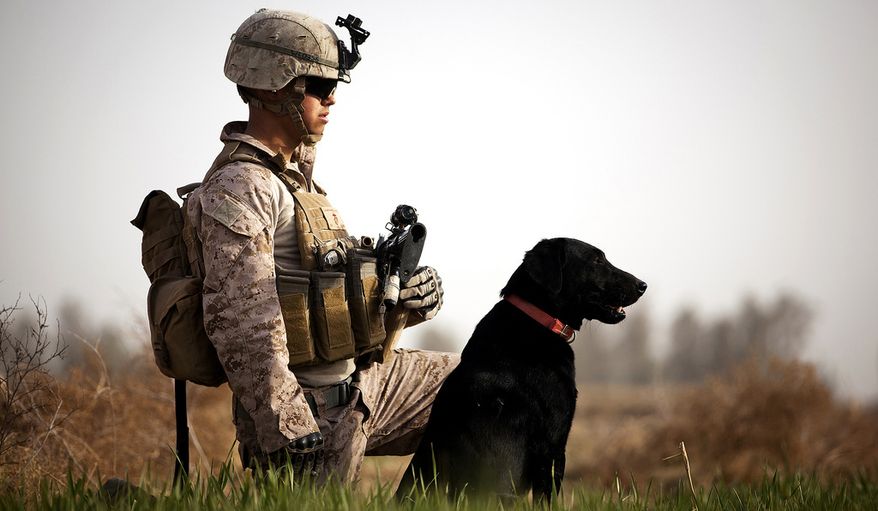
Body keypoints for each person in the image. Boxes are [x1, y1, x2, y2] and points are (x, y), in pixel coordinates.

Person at [186, 9, 458, 483]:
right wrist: (287, 424)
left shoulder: (296, 180)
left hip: (362, 383)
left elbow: (328, 291)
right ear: (274, 87)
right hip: (310, 415)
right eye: (316, 84)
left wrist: (404, 298)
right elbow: (241, 322)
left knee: (495, 386)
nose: (331, 99)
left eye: (334, 85)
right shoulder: (241, 188)